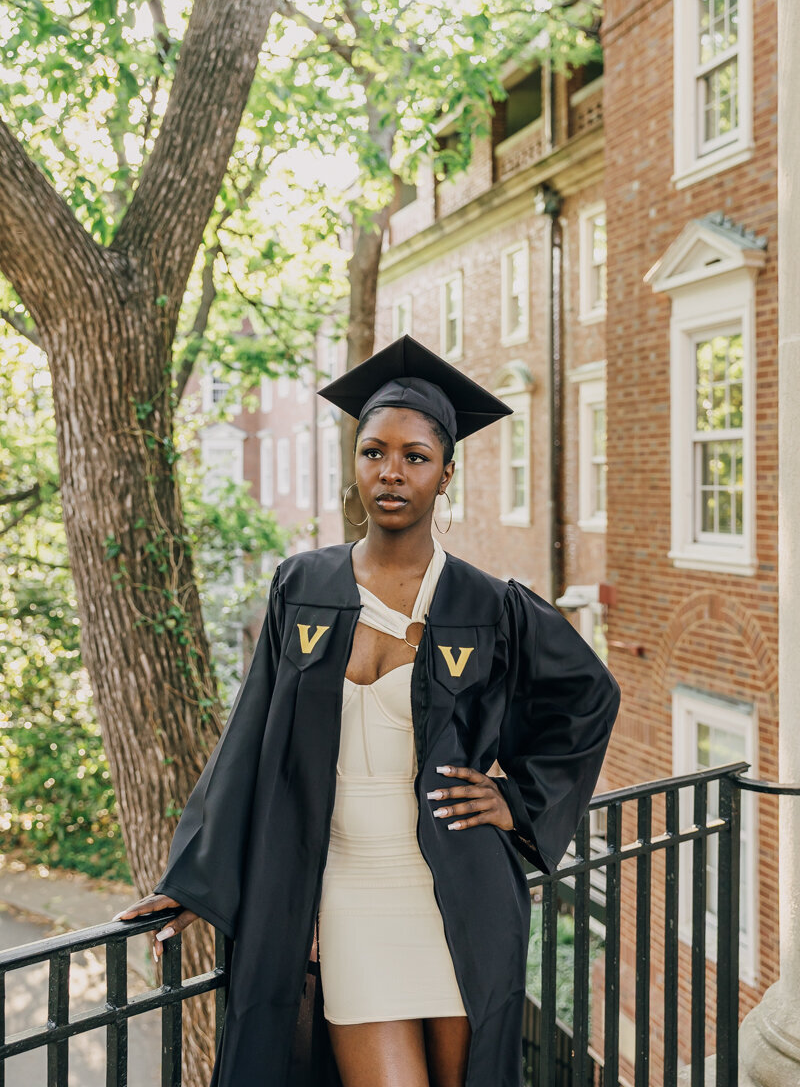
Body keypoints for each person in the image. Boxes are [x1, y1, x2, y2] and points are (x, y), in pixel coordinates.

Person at [114, 335, 621, 1087]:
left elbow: (590, 696)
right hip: (349, 890)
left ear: (447, 472)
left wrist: (518, 802)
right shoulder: (303, 586)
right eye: (374, 451)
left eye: (415, 456)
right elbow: (249, 737)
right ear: (354, 463)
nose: (392, 471)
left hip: (460, 888)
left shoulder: (491, 605)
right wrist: (194, 875)